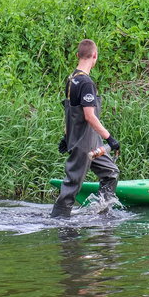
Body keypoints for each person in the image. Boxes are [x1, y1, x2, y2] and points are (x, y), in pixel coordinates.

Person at [51, 39, 121, 218]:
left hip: (88, 141)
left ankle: (102, 213)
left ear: (77, 56)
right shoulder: (86, 83)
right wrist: (109, 138)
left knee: (111, 173)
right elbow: (89, 116)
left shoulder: (71, 79)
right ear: (95, 56)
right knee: (72, 184)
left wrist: (67, 137)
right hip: (84, 143)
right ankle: (58, 219)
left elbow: (70, 112)